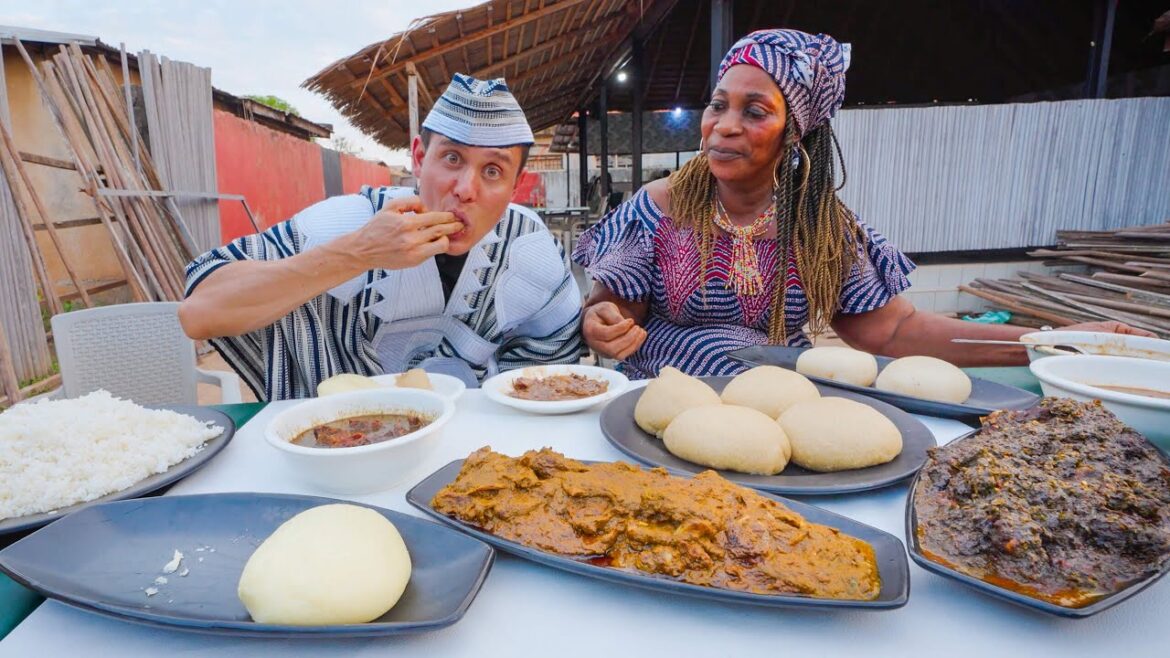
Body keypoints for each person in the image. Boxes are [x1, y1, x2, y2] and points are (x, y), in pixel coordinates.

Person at [573, 29, 1151, 378]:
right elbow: (615, 314)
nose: (724, 126)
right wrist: (603, 324)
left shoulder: (820, 228)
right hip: (655, 411)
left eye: (754, 111)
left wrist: (1053, 343)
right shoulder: (660, 208)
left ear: (793, 132)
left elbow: (894, 334)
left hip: (782, 410)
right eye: (718, 104)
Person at [180, 73, 586, 400]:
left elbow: (553, 361)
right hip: (341, 455)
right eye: (451, 158)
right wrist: (358, 252)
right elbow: (199, 314)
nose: (465, 188)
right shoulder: (346, 222)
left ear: (516, 187)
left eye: (493, 171)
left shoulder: (528, 245)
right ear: (419, 158)